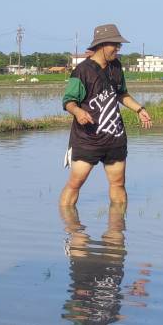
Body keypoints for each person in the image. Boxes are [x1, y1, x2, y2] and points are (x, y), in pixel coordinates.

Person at [59, 23, 153, 207]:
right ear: (101, 45)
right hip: (88, 139)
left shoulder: (116, 66)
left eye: (119, 45)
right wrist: (78, 112)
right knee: (75, 184)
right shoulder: (82, 71)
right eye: (115, 44)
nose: (118, 48)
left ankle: (117, 231)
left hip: (115, 137)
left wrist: (139, 110)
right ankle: (70, 229)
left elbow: (121, 94)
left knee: (118, 184)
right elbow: (68, 101)